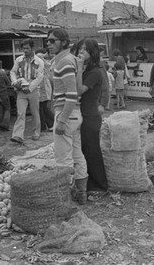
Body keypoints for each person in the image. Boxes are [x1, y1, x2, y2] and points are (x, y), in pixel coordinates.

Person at [47, 29, 88, 205]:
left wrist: (61, 120)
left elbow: (71, 95)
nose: (48, 43)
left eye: (52, 41)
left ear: (64, 42)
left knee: (63, 158)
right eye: (47, 40)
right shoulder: (68, 60)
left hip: (67, 114)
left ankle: (64, 200)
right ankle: (81, 193)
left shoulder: (65, 62)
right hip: (74, 114)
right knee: (77, 154)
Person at [77, 38, 108, 193]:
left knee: (92, 152)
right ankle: (89, 184)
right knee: (84, 151)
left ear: (93, 52)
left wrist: (79, 66)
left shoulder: (95, 71)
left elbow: (79, 90)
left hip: (91, 117)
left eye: (85, 49)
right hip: (83, 115)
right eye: (80, 48)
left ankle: (100, 186)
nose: (81, 52)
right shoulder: (86, 70)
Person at [9, 39, 44, 144]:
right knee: (20, 113)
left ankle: (36, 133)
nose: (25, 50)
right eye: (23, 48)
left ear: (32, 48)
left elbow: (39, 77)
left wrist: (30, 87)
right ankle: (17, 135)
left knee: (35, 113)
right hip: (21, 91)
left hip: (33, 90)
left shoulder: (39, 61)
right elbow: (13, 72)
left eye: (27, 48)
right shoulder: (19, 60)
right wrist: (15, 82)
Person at [35, 49, 54, 132]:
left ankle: (51, 124)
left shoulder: (45, 64)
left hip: (44, 89)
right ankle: (43, 126)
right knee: (40, 108)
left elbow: (47, 63)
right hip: (39, 88)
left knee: (44, 107)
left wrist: (41, 57)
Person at [0, 60, 11, 131]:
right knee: (7, 108)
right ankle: (6, 125)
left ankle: (1, 125)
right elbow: (8, 83)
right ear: (1, 65)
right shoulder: (2, 73)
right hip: (3, 92)